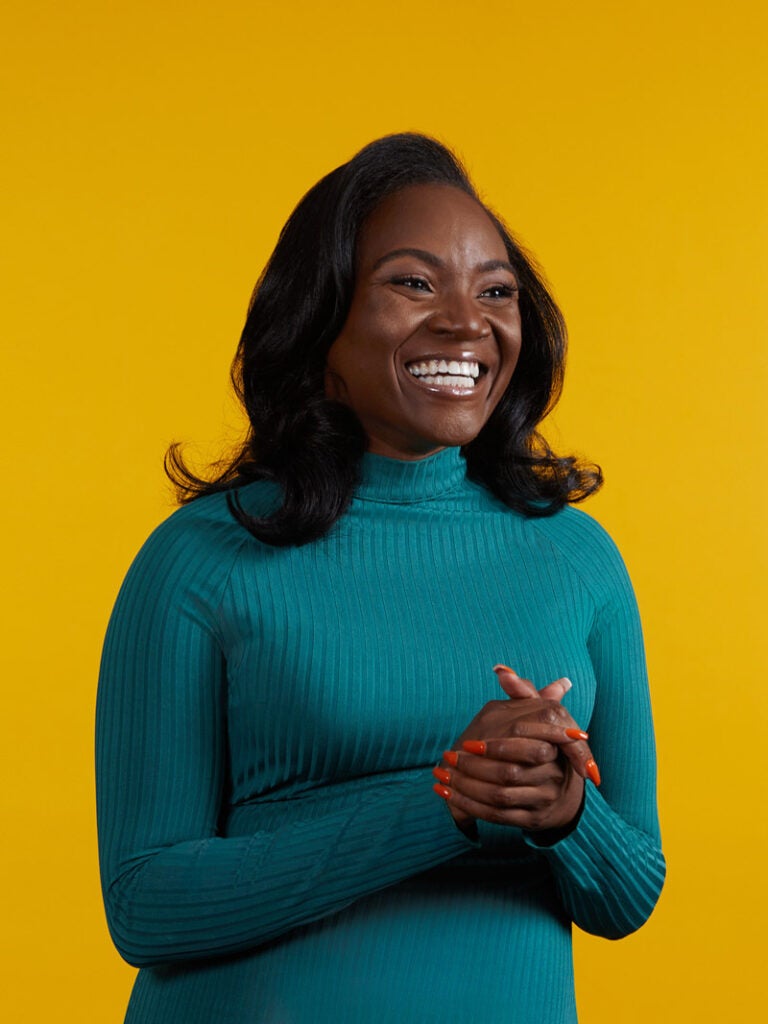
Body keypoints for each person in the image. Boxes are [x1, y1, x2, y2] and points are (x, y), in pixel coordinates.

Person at [96, 133, 665, 1024]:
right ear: (321, 319)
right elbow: (143, 904)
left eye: (496, 290)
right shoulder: (202, 558)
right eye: (413, 282)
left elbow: (629, 897)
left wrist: (561, 812)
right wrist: (445, 799)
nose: (466, 322)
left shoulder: (576, 557)